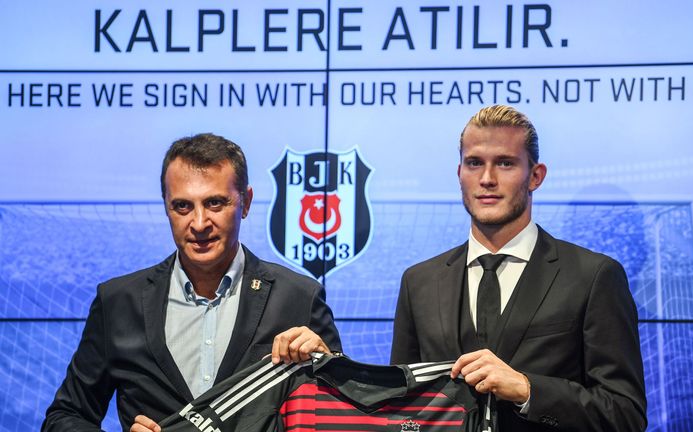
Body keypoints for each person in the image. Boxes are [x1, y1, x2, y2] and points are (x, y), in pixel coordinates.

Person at [42, 133, 341, 432]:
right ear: (166, 207)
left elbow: (344, 418)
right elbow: (63, 417)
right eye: (182, 206)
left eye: (214, 203)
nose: (199, 223)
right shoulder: (119, 302)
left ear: (246, 203)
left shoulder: (299, 297)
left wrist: (329, 366)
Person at [390, 105, 646, 431]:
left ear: (536, 176)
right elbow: (400, 408)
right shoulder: (419, 282)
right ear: (459, 174)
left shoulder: (593, 277)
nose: (487, 179)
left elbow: (626, 414)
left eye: (505, 163)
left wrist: (528, 390)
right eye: (474, 163)